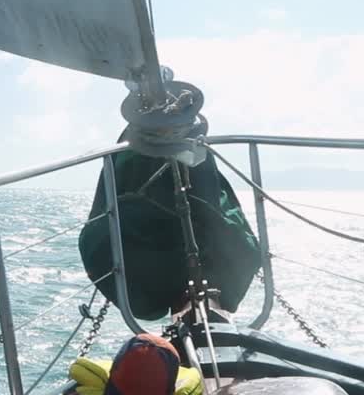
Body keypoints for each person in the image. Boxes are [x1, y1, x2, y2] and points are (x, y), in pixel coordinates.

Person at [78, 117, 261, 322]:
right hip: (204, 253)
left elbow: (98, 236)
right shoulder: (236, 262)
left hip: (146, 270)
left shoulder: (141, 294)